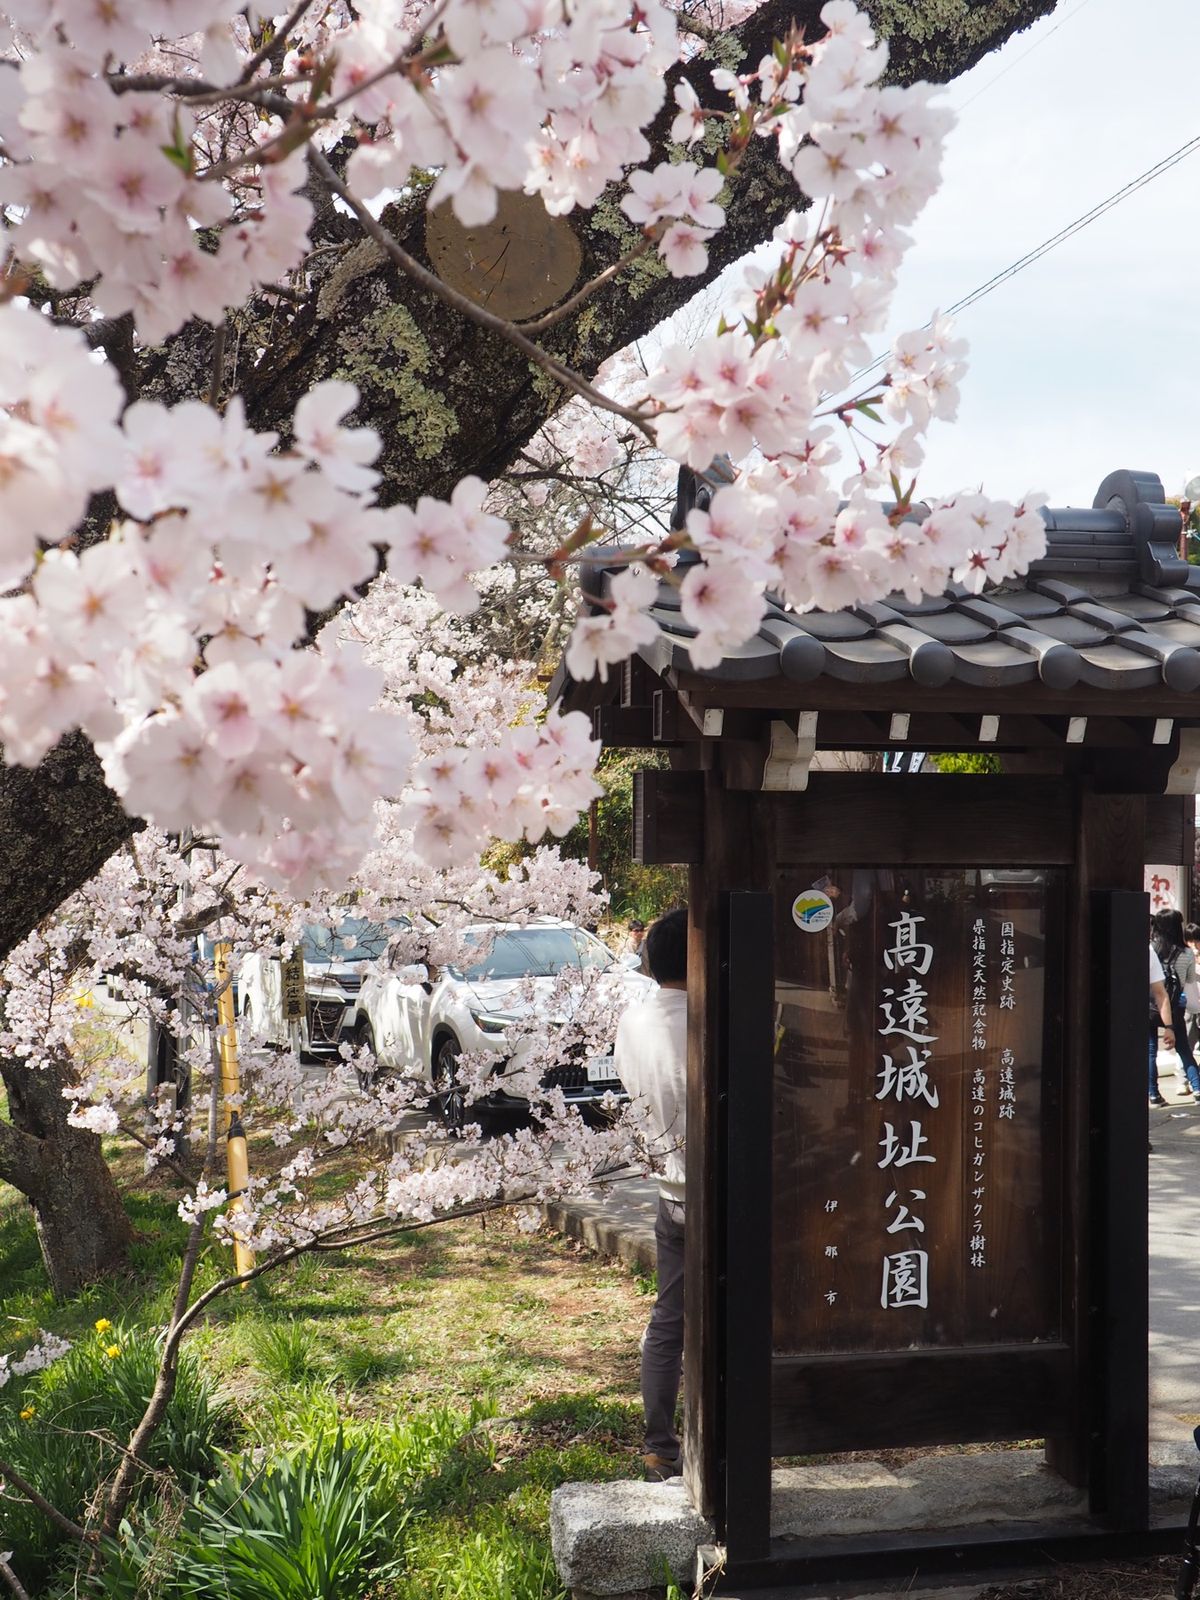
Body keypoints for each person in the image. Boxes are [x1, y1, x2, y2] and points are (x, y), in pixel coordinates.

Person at [613, 906, 688, 1482]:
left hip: (670, 1190)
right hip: (723, 1194)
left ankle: (661, 1443)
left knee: (670, 1318)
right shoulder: (710, 1019)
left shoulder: (633, 1020)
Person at [1151, 909, 1200, 1103]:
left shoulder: (1151, 949)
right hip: (1174, 1005)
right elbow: (1188, 982)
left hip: (1151, 1006)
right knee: (1184, 1049)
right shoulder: (1187, 953)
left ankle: (1153, 1094)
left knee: (1150, 1049)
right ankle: (1197, 1087)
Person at [1149, 941, 1179, 1109]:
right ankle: (1153, 1093)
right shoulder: (1149, 951)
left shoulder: (1151, 950)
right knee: (1150, 1051)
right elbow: (1161, 993)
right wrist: (1169, 1027)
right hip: (1145, 1013)